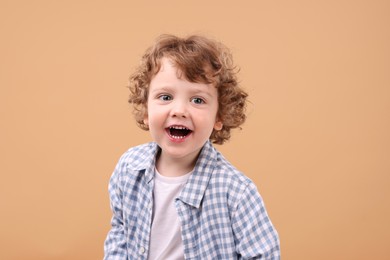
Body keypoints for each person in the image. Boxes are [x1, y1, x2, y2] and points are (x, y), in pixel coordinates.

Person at [104, 34, 280, 259]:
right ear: (145, 108)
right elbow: (120, 233)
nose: (179, 110)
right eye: (165, 96)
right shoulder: (129, 168)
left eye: (197, 100)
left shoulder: (235, 192)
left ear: (219, 116)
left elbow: (264, 254)